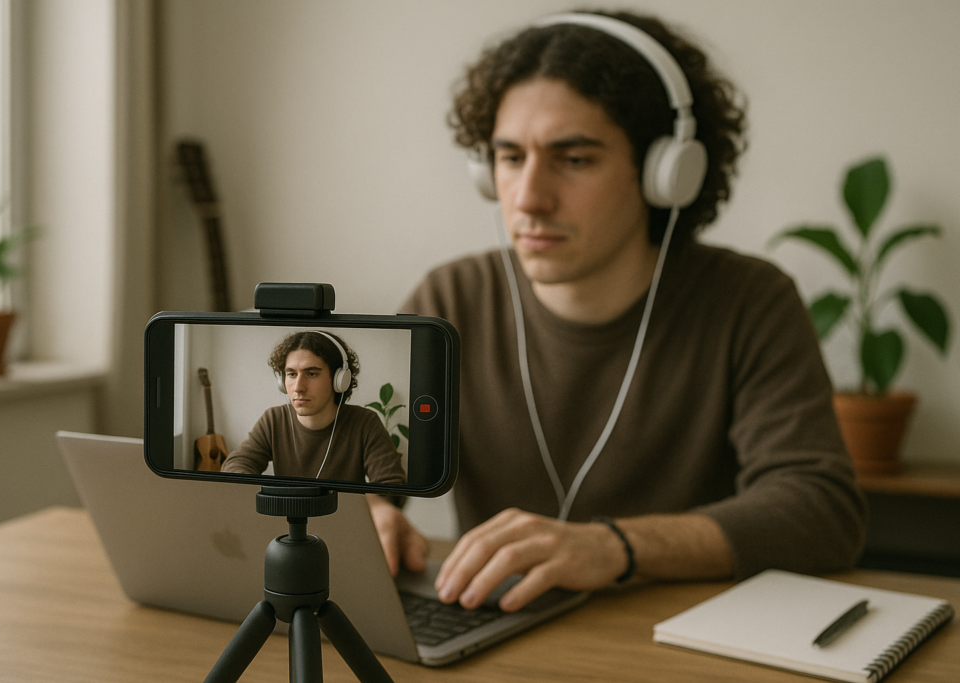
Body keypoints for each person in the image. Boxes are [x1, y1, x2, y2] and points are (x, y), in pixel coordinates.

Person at [367, 9, 866, 614]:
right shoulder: (448, 302)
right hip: (492, 635)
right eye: (509, 158)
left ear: (666, 174)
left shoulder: (748, 302)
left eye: (574, 159)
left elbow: (820, 508)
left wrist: (617, 547)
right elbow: (355, 468)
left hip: (678, 644)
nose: (528, 199)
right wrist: (365, 514)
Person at [222, 330, 407, 485]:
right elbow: (237, 463)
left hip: (342, 524)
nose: (298, 387)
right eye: (292, 374)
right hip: (287, 525)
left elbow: (391, 484)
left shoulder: (364, 422)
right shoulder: (274, 419)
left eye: (311, 374)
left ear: (339, 380)